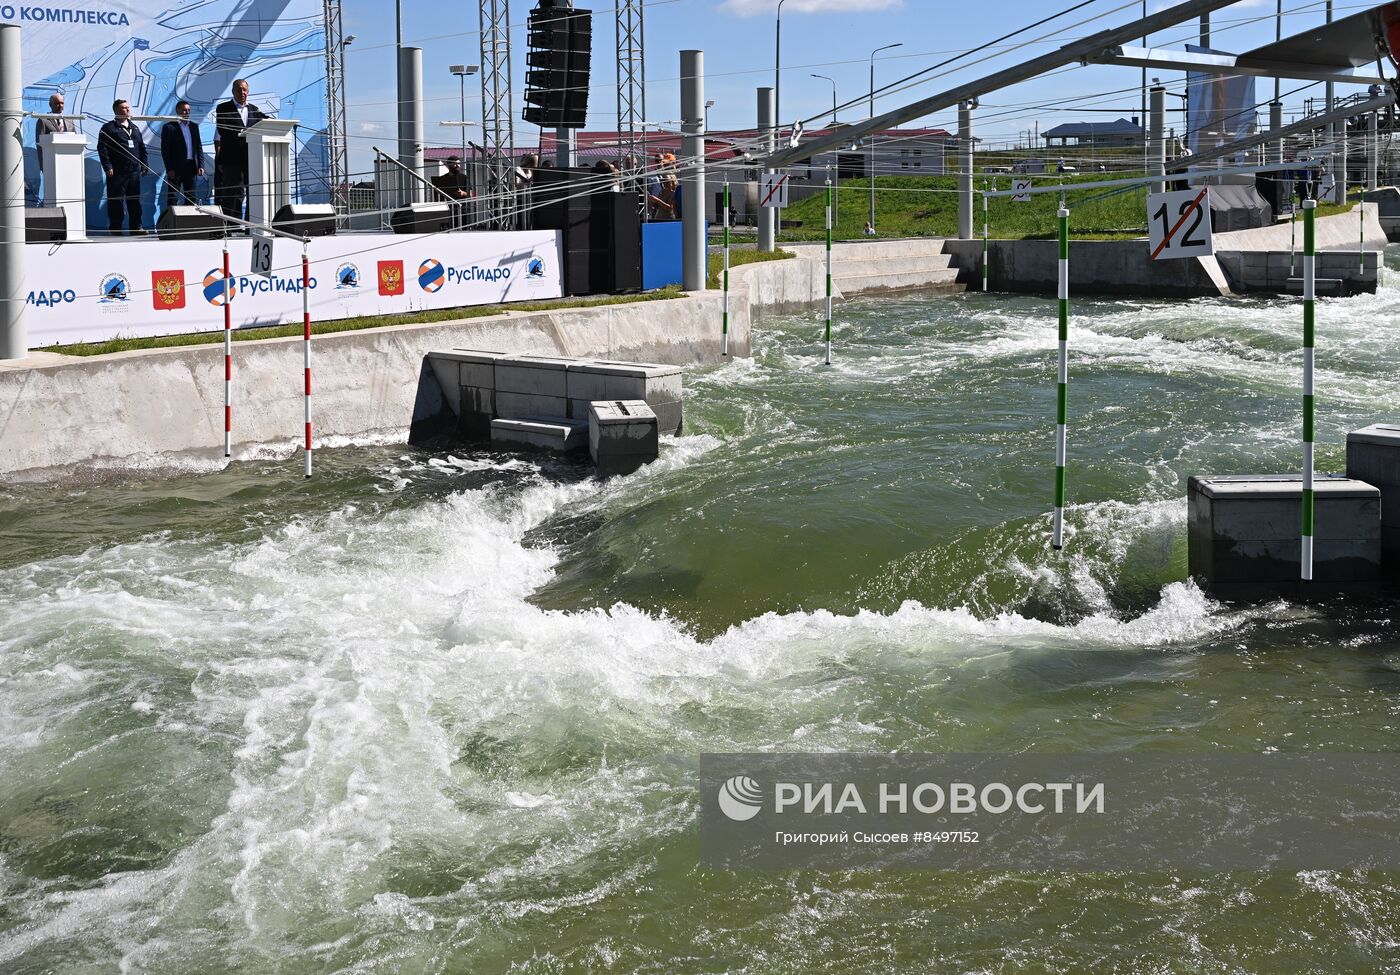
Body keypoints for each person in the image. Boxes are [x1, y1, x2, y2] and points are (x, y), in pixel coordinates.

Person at [213, 78, 268, 222]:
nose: (242, 92)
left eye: (244, 90)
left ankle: (252, 223)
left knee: (253, 191)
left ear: (248, 92)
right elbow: (223, 130)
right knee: (234, 192)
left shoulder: (254, 110)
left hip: (252, 157)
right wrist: (244, 132)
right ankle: (233, 224)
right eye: (239, 89)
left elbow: (265, 122)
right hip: (231, 158)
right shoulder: (223, 108)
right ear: (233, 92)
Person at [97, 99, 149, 235]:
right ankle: (116, 228)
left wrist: (144, 164)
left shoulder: (135, 128)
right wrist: (108, 167)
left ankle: (136, 227)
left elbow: (142, 148)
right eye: (123, 108)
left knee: (134, 201)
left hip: (134, 172)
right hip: (117, 172)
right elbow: (102, 149)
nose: (126, 110)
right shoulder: (108, 128)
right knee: (116, 201)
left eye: (127, 108)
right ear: (116, 110)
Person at [160, 99, 205, 210]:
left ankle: (188, 221)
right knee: (173, 197)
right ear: (177, 111)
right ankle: (172, 223)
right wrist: (169, 168)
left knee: (191, 197)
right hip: (176, 168)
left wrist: (201, 165)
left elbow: (199, 146)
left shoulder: (194, 126)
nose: (187, 113)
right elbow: (165, 150)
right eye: (184, 110)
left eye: (188, 110)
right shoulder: (169, 127)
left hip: (191, 167)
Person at [34, 93, 70, 199]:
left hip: (68, 163)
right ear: (50, 104)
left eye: (62, 103)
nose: (60, 105)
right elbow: (40, 144)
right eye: (57, 103)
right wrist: (43, 165)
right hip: (51, 163)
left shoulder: (70, 120)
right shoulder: (43, 120)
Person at [431, 155, 472, 228]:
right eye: (455, 164)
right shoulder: (442, 179)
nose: (458, 166)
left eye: (459, 164)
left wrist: (463, 193)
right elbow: (437, 196)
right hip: (447, 211)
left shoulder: (464, 177)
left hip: (461, 211)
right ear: (449, 165)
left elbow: (471, 194)